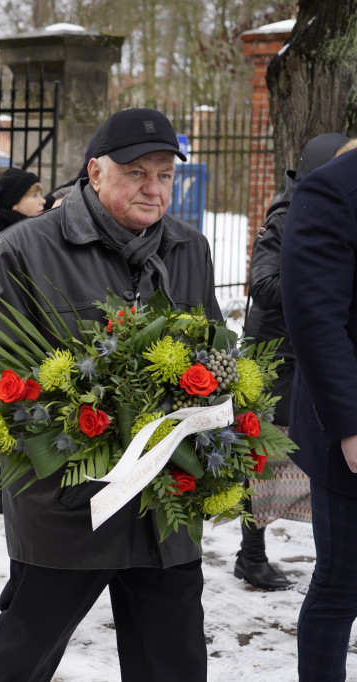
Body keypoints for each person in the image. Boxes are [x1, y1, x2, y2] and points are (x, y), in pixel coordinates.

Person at [0, 108, 219, 682]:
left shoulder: (190, 248)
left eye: (164, 174)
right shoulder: (22, 250)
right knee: (20, 659)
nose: (153, 189)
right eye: (136, 172)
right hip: (67, 504)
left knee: (175, 662)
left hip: (166, 503)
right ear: (95, 172)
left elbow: (211, 360)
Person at [237, 133, 346, 591]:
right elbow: (262, 285)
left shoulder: (334, 212)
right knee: (264, 457)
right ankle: (251, 554)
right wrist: (323, 288)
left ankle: (333, 553)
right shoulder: (284, 217)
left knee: (312, 456)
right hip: (276, 357)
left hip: (310, 356)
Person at [280, 142, 357, 682]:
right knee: (341, 586)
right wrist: (351, 425)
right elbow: (315, 319)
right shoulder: (334, 189)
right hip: (348, 428)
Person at [0, 167, 45, 271]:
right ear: (14, 203)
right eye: (34, 196)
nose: (43, 201)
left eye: (40, 195)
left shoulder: (40, 233)